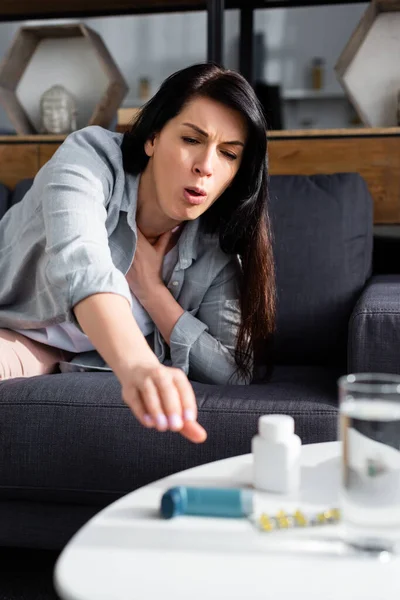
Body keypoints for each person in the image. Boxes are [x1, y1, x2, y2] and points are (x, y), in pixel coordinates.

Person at [0, 63, 276, 444]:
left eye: (228, 153)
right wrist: (140, 366)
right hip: (14, 324)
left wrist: (151, 289)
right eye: (192, 140)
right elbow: (83, 266)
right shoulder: (90, 159)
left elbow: (233, 369)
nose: (206, 167)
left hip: (64, 360)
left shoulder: (214, 245)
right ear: (152, 138)